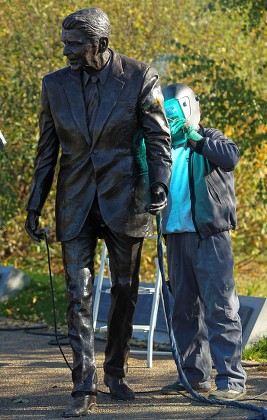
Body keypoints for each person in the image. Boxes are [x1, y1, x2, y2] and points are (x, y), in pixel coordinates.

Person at [25, 7, 171, 417]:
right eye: (64, 44)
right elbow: (46, 152)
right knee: (78, 292)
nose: (66, 51)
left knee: (124, 289)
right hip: (74, 201)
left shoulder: (140, 77)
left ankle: (116, 370)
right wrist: (34, 204)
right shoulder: (54, 85)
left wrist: (159, 183)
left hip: (125, 198)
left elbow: (159, 138)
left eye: (75, 45)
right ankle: (83, 386)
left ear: (101, 44)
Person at [160, 83, 246, 401]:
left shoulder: (210, 139)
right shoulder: (163, 148)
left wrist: (197, 139)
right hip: (176, 237)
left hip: (210, 237)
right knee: (184, 310)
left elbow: (231, 157)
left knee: (220, 308)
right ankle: (195, 376)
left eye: (178, 110)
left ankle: (231, 381)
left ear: (192, 107)